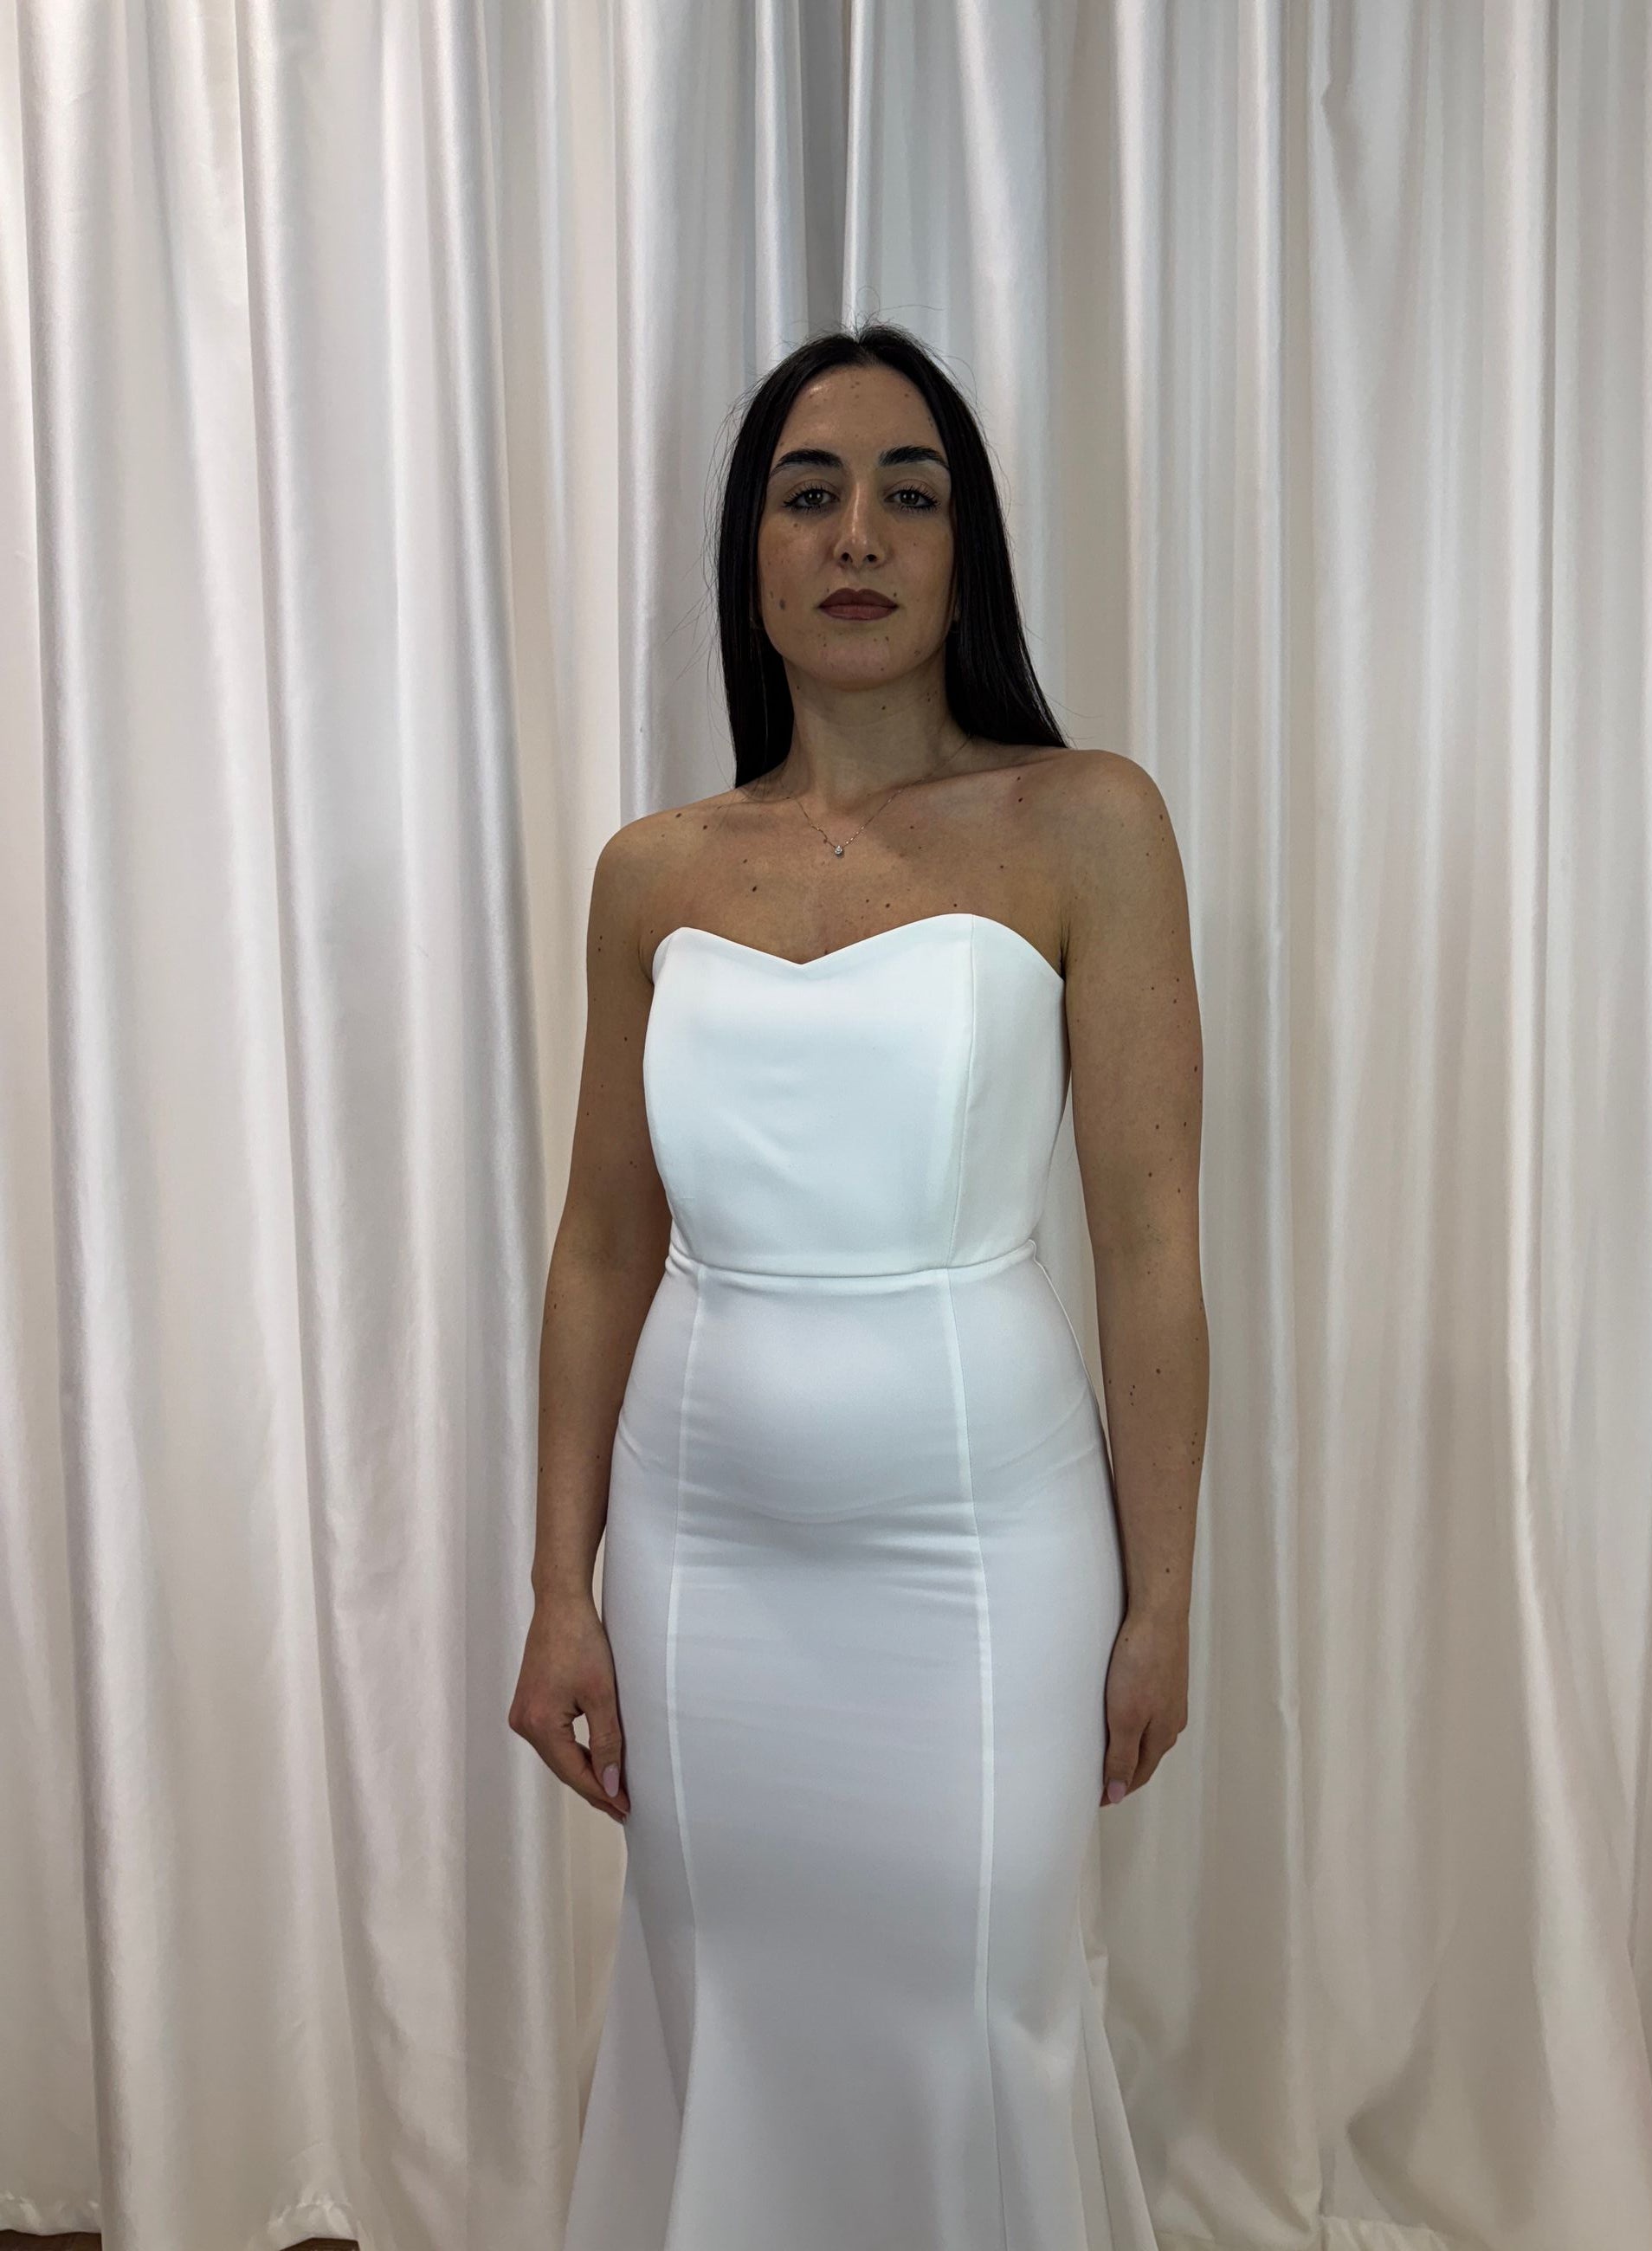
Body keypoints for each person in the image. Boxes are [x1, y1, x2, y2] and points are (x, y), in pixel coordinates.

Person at [510, 320, 1209, 2250]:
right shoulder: (652, 872)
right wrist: (561, 1589)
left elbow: (1152, 1247)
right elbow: (599, 1243)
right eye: (806, 493)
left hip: (981, 1555)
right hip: (702, 1556)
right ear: (747, 553)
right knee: (726, 2001)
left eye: (912, 492)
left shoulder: (1088, 821)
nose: (858, 534)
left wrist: (1161, 1601)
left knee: (976, 2008)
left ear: (967, 551)